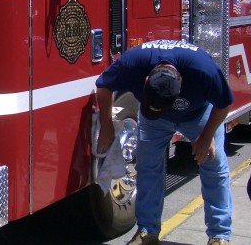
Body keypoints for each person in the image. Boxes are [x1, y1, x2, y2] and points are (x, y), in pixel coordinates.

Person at [95, 40, 233, 245]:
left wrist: (206, 136)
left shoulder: (202, 70)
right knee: (147, 167)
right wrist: (106, 127)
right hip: (155, 123)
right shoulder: (133, 63)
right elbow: (103, 85)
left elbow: (224, 103)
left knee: (214, 165)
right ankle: (147, 232)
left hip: (198, 115)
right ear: (146, 79)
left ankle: (219, 236)